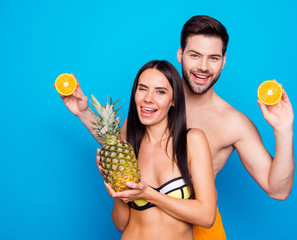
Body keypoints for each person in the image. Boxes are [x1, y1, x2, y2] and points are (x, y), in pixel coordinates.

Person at [59, 15, 294, 239]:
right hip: (141, 222)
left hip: (199, 229)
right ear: (180, 54)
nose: (203, 66)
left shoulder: (233, 122)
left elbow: (278, 190)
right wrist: (83, 112)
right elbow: (121, 147)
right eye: (195, 55)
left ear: (223, 61)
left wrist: (283, 130)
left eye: (213, 58)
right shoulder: (152, 103)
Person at [60, 60, 217, 239]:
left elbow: (206, 216)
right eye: (142, 88)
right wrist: (117, 188)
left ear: (173, 100)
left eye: (160, 91)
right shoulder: (128, 147)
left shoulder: (191, 140)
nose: (148, 98)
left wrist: (148, 194)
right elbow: (121, 224)